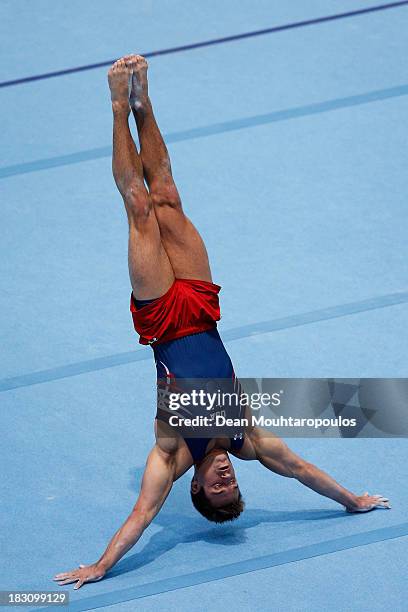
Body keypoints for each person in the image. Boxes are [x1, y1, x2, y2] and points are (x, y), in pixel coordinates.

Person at [53, 55, 390, 590]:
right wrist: (353, 501)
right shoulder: (247, 440)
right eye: (233, 489)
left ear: (197, 490)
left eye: (217, 490)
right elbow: (303, 471)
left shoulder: (171, 454)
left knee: (139, 206)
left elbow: (140, 517)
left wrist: (99, 567)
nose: (227, 479)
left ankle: (118, 103)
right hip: (204, 314)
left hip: (162, 319)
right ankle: (144, 100)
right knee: (167, 195)